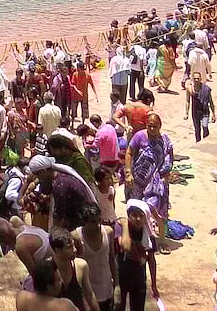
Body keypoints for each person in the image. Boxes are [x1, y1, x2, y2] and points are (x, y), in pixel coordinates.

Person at [125, 113, 173, 248]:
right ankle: (137, 238)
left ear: (160, 126)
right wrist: (128, 173)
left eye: (155, 127)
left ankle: (161, 241)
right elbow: (129, 153)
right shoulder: (139, 136)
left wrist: (165, 176)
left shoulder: (165, 141)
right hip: (137, 181)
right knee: (136, 210)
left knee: (155, 209)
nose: (152, 129)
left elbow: (169, 158)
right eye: (149, 126)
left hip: (156, 183)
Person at [115, 200, 159, 311]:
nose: (138, 219)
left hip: (139, 278)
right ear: (128, 215)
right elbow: (125, 246)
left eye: (141, 216)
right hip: (121, 277)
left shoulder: (148, 235)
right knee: (119, 306)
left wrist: (154, 284)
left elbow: (151, 260)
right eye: (134, 215)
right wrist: (125, 226)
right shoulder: (120, 227)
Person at [73, 204, 116, 311]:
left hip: (106, 290)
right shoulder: (76, 237)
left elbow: (112, 260)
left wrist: (117, 286)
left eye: (99, 220)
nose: (97, 225)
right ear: (85, 222)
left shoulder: (108, 232)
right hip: (88, 293)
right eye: (93, 222)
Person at [51, 228, 99, 311]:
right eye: (69, 247)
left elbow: (89, 294)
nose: (75, 250)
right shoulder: (47, 269)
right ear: (58, 250)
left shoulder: (81, 265)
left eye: (74, 245)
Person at [186, 72, 216, 143]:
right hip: (195, 112)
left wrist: (213, 114)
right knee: (197, 129)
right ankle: (198, 143)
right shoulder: (190, 89)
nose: (196, 80)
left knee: (205, 126)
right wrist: (186, 113)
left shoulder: (206, 89)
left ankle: (206, 141)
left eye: (198, 78)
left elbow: (211, 102)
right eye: (195, 78)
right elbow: (187, 101)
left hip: (205, 110)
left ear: (201, 79)